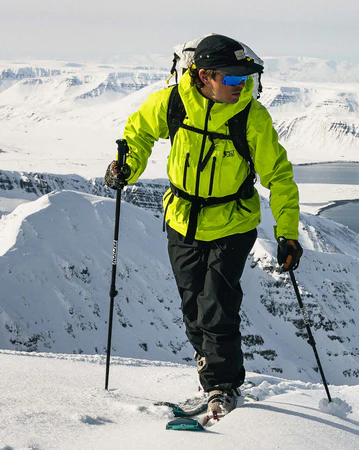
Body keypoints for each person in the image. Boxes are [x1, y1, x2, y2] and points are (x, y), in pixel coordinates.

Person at [105, 34, 302, 419]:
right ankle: (209, 369)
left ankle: (223, 386)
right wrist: (125, 166)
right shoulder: (172, 102)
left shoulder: (251, 117)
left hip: (233, 223)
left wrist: (288, 232)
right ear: (205, 76)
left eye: (246, 78)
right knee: (193, 305)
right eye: (233, 78)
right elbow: (138, 133)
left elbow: (279, 176)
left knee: (217, 305)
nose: (241, 85)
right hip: (181, 220)